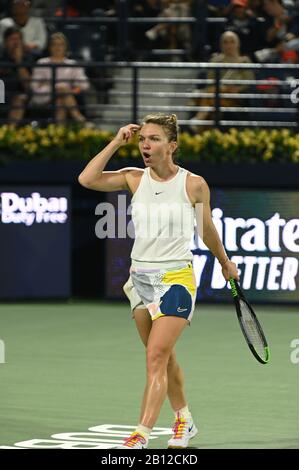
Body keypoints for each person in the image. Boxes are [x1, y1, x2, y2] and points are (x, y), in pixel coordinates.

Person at [78, 113, 239, 449]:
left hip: (176, 279)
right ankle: (184, 420)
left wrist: (224, 262)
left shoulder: (193, 184)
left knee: (155, 356)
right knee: (164, 357)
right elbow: (87, 179)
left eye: (153, 139)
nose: (145, 145)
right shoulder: (134, 178)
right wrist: (115, 142)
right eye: (141, 139)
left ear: (173, 146)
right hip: (139, 281)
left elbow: (205, 230)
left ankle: (141, 433)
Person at [30, 32, 90, 125]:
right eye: (54, 44)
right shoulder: (42, 63)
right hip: (44, 97)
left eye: (61, 44)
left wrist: (69, 89)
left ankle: (59, 131)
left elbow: (84, 84)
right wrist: (54, 87)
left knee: (60, 100)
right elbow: (35, 86)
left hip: (66, 97)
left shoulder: (72, 64)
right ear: (50, 47)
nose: (58, 47)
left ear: (65, 47)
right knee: (62, 90)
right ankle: (80, 119)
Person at [0, 26, 33, 126]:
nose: (16, 43)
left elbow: (28, 86)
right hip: (1, 95)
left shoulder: (28, 58)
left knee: (19, 100)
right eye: (12, 39)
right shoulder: (1, 57)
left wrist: (18, 61)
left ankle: (9, 136)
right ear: (5, 42)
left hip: (20, 96)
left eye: (18, 39)